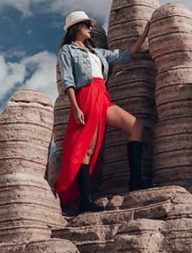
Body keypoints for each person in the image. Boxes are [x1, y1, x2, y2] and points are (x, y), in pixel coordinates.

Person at [53, 10, 151, 213]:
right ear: (75, 28)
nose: (90, 28)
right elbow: (68, 81)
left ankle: (135, 181)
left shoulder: (96, 53)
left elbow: (123, 56)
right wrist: (76, 107)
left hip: (102, 96)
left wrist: (145, 34)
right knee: (86, 148)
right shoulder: (67, 51)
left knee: (136, 126)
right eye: (86, 25)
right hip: (85, 96)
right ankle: (85, 201)